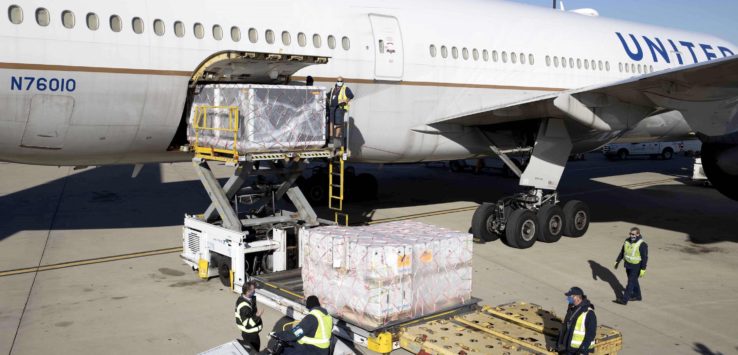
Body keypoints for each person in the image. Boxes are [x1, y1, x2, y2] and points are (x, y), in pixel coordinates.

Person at [613, 227, 648, 305]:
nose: (631, 235)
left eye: (633, 234)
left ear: (638, 234)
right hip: (628, 265)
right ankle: (638, 296)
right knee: (634, 281)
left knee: (630, 283)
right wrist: (617, 261)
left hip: (636, 266)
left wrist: (643, 269)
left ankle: (624, 299)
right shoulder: (627, 241)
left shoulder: (642, 244)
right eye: (630, 234)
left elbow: (645, 258)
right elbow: (622, 252)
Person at [557, 287, 597, 354]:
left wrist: (583, 350)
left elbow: (591, 334)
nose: (568, 298)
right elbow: (566, 327)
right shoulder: (571, 308)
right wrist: (560, 344)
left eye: (570, 296)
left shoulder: (589, 313)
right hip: (567, 348)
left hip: (579, 350)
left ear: (577, 297)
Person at [235, 281, 263, 351]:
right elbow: (247, 324)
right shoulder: (244, 307)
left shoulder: (249, 298)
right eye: (253, 289)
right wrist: (257, 316)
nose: (255, 290)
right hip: (250, 333)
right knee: (254, 350)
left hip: (251, 333)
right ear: (248, 292)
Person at [328, 76, 354, 148]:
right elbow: (328, 95)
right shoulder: (333, 88)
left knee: (338, 123)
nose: (339, 82)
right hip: (332, 107)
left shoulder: (345, 88)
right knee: (331, 122)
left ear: (343, 81)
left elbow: (351, 96)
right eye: (338, 81)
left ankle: (336, 138)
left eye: (341, 81)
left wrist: (345, 101)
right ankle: (331, 138)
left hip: (340, 107)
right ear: (336, 81)